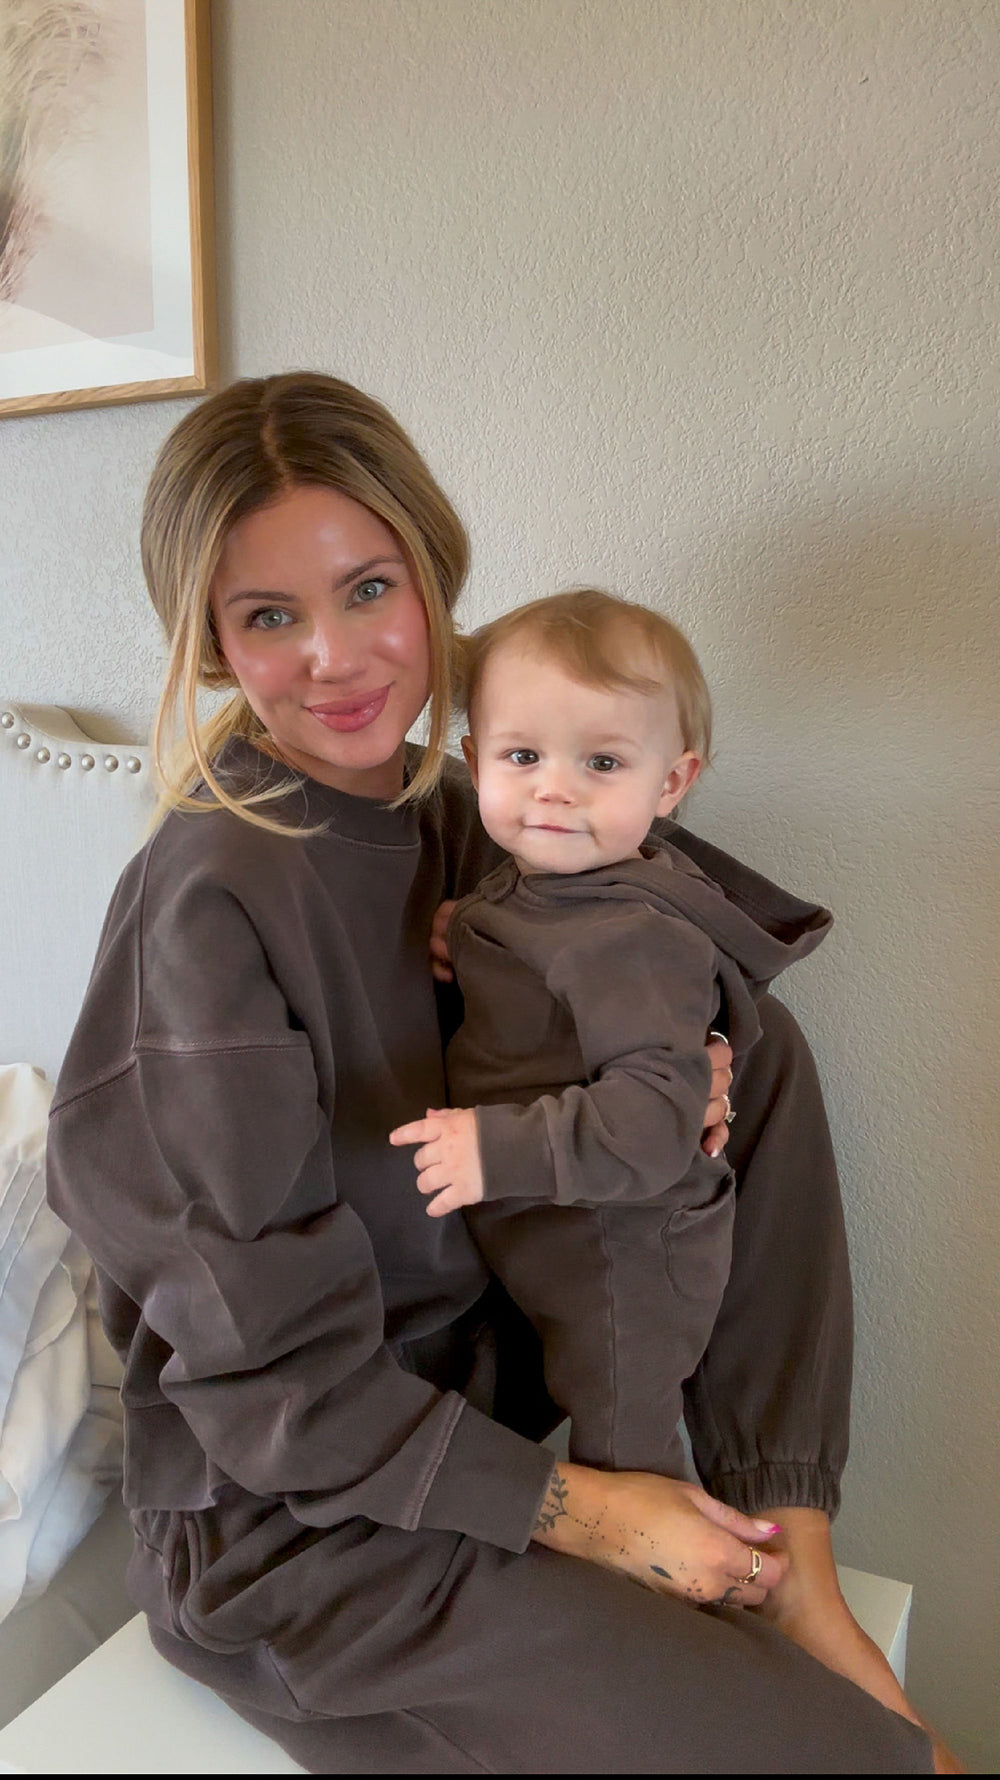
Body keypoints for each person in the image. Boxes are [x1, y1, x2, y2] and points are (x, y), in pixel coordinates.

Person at [44, 372, 950, 1773]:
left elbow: (712, 959)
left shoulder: (472, 804)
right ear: (211, 643)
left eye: (369, 590)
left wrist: (673, 1074)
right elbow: (265, 1371)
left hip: (507, 1392)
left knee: (750, 1049)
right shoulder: (208, 905)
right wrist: (597, 1513)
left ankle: (797, 1562)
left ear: (433, 577)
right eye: (269, 616)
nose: (338, 659)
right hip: (309, 1516)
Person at [390, 587, 831, 1488]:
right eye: (523, 755)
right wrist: (465, 939)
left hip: (626, 1248)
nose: (554, 787)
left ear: (671, 783)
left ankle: (670, 1605)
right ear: (477, 763)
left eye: (601, 762)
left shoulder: (635, 935)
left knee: (628, 1464)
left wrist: (493, 1146)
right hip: (555, 1231)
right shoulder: (533, 890)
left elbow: (655, 1122)